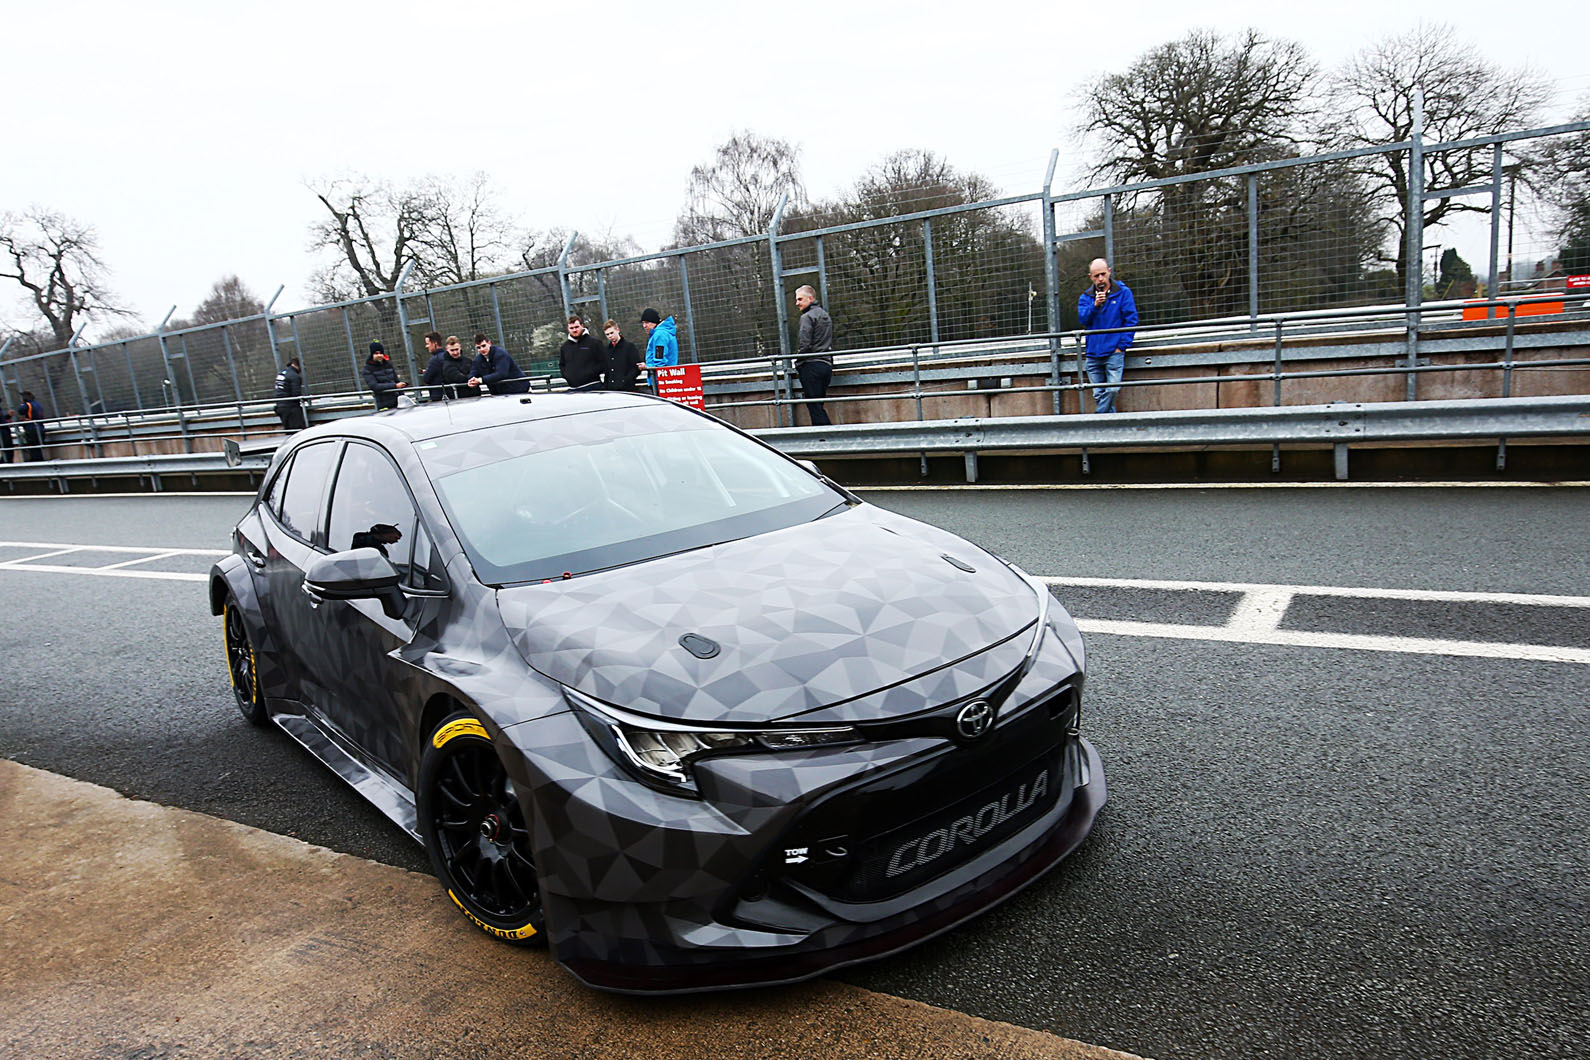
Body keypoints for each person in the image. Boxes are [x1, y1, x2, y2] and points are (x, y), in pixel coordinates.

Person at [1075, 258, 1138, 414]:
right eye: (1096, 276)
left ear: (1109, 271)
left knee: (1112, 389)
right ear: (1091, 277)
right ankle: (1110, 428)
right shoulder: (1086, 297)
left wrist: (1121, 346)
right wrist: (1094, 306)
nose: (1100, 279)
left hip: (1114, 352)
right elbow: (1083, 319)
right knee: (1098, 394)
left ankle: (1098, 419)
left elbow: (1131, 320)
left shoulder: (1123, 293)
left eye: (1103, 274)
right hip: (1093, 353)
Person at [793, 284, 834, 427]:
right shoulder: (825, 315)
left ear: (810, 298)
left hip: (811, 365)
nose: (797, 303)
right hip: (826, 365)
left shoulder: (807, 317)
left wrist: (798, 362)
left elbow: (805, 344)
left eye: (800, 299)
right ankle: (826, 437)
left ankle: (826, 437)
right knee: (819, 404)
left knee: (814, 406)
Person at [422, 334, 479, 401]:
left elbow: (426, 378)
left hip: (444, 397)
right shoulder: (449, 363)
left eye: (428, 344)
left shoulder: (436, 360)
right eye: (452, 350)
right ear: (447, 349)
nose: (455, 352)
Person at [558, 315, 606, 390]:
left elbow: (604, 362)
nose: (574, 330)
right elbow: (562, 365)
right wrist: (567, 376)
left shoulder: (594, 343)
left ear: (582, 326)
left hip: (593, 386)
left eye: (576, 327)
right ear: (568, 329)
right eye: (571, 328)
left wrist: (591, 373)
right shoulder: (564, 347)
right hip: (574, 389)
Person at [362, 341, 407, 410]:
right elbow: (374, 386)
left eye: (381, 353)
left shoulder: (388, 365)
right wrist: (394, 386)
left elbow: (396, 381)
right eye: (376, 353)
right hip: (383, 405)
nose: (379, 355)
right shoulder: (367, 369)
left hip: (397, 402)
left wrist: (402, 397)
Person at [639, 309, 679, 386]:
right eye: (643, 323)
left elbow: (660, 359)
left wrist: (647, 366)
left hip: (660, 380)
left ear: (654, 322)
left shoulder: (659, 335)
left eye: (647, 322)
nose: (644, 326)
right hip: (668, 377)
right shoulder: (664, 333)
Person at [600, 320, 643, 391]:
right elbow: (607, 371)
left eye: (611, 333)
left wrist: (625, 381)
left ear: (618, 330)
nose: (610, 336)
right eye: (607, 334)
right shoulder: (607, 350)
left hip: (627, 388)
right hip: (611, 389)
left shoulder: (629, 347)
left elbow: (636, 368)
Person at [272, 357, 306, 431]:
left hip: (280, 407)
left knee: (289, 433)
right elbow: (296, 394)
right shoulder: (295, 376)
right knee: (298, 432)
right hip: (291, 408)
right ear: (297, 365)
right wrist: (305, 399)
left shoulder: (281, 374)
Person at [15, 392, 45, 461]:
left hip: (31, 428)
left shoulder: (27, 404)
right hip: (40, 427)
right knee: (38, 447)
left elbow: (20, 410)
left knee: (33, 447)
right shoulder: (38, 404)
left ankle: (36, 460)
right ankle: (39, 459)